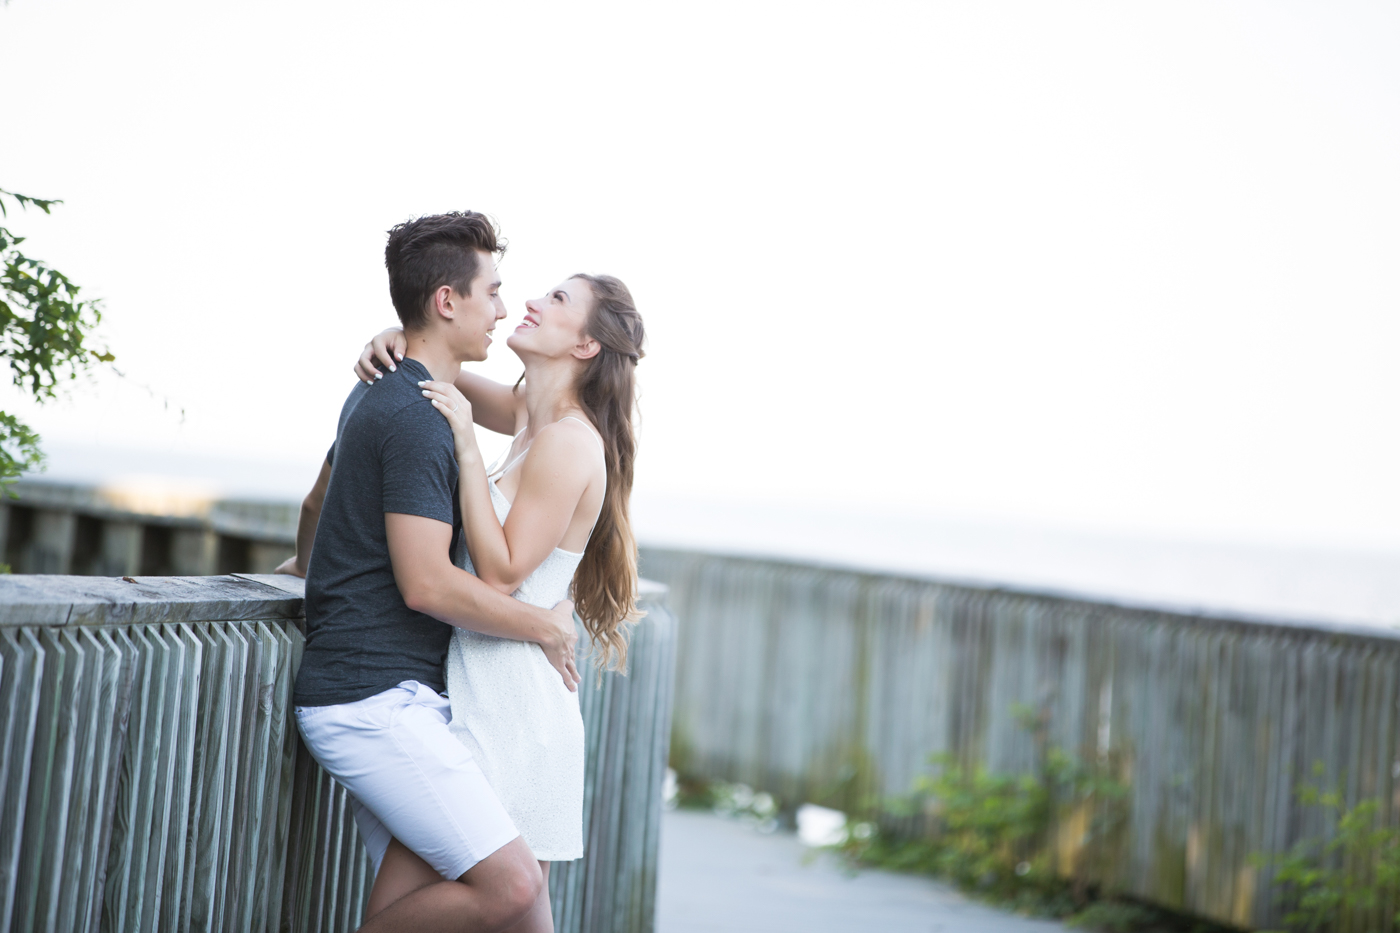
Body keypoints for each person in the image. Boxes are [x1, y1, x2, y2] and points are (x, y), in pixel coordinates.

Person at [284, 211, 581, 933]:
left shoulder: (386, 390)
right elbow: (427, 584)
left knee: (509, 911)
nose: (505, 309)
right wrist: (541, 623)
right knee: (512, 889)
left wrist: (311, 563)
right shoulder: (415, 413)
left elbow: (320, 496)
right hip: (372, 702)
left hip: (402, 698)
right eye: (493, 292)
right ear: (448, 301)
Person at [351, 271, 646, 933]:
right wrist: (395, 339)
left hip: (512, 715)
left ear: (586, 347)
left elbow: (502, 571)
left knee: (397, 916)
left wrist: (461, 444)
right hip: (490, 696)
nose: (533, 301)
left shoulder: (569, 441)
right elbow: (436, 375)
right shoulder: (529, 416)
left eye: (559, 300)